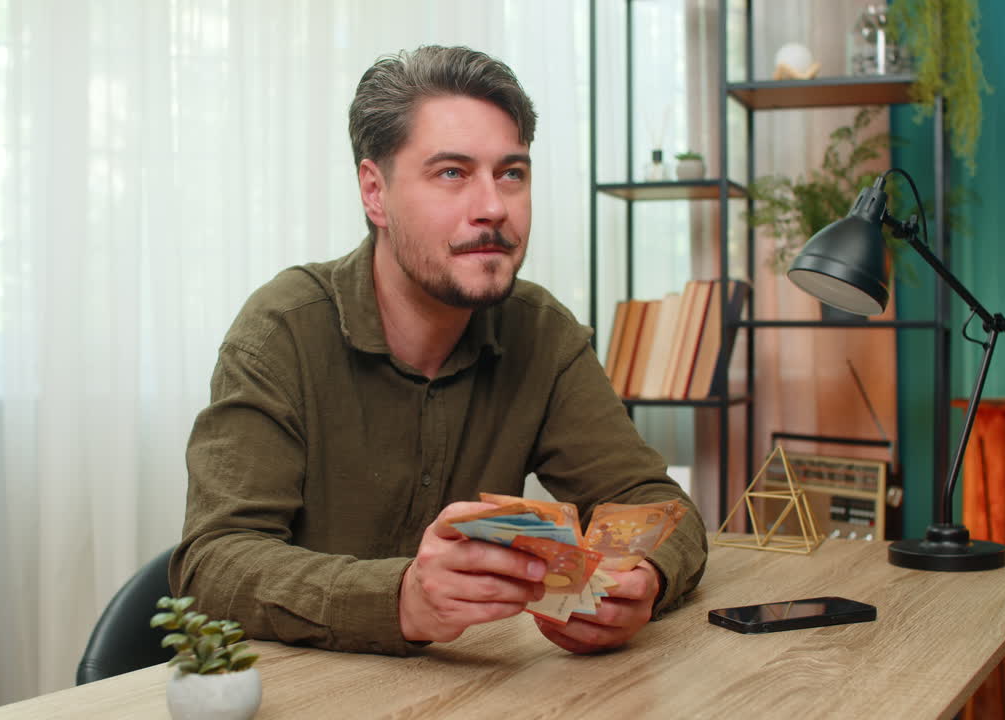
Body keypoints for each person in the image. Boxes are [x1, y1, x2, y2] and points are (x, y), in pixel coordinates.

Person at [169, 45, 707, 656]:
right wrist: (401, 598)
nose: (493, 207)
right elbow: (213, 563)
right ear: (375, 192)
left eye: (512, 173)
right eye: (452, 173)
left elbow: (654, 503)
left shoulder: (542, 332)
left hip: (475, 689)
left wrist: (643, 580)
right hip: (298, 687)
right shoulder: (282, 330)